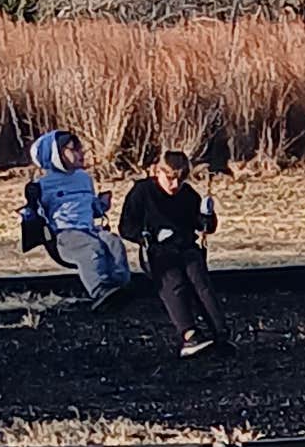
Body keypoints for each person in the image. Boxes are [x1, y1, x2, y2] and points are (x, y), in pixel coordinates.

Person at [117, 144, 232, 357]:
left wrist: (207, 215)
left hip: (185, 245)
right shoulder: (142, 192)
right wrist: (148, 235)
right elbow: (126, 226)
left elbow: (204, 226)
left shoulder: (187, 194)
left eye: (180, 179)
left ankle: (219, 331)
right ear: (157, 172)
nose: (175, 185)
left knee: (200, 281)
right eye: (169, 178)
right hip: (157, 249)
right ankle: (189, 334)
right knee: (173, 281)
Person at [23, 130, 132, 307]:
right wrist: (32, 202)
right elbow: (36, 215)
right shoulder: (44, 185)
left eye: (81, 149)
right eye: (74, 149)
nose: (81, 153)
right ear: (56, 154)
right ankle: (99, 290)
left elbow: (89, 208)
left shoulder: (83, 178)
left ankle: (120, 283)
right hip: (65, 234)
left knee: (113, 242)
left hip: (89, 229)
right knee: (91, 249)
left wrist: (101, 204)